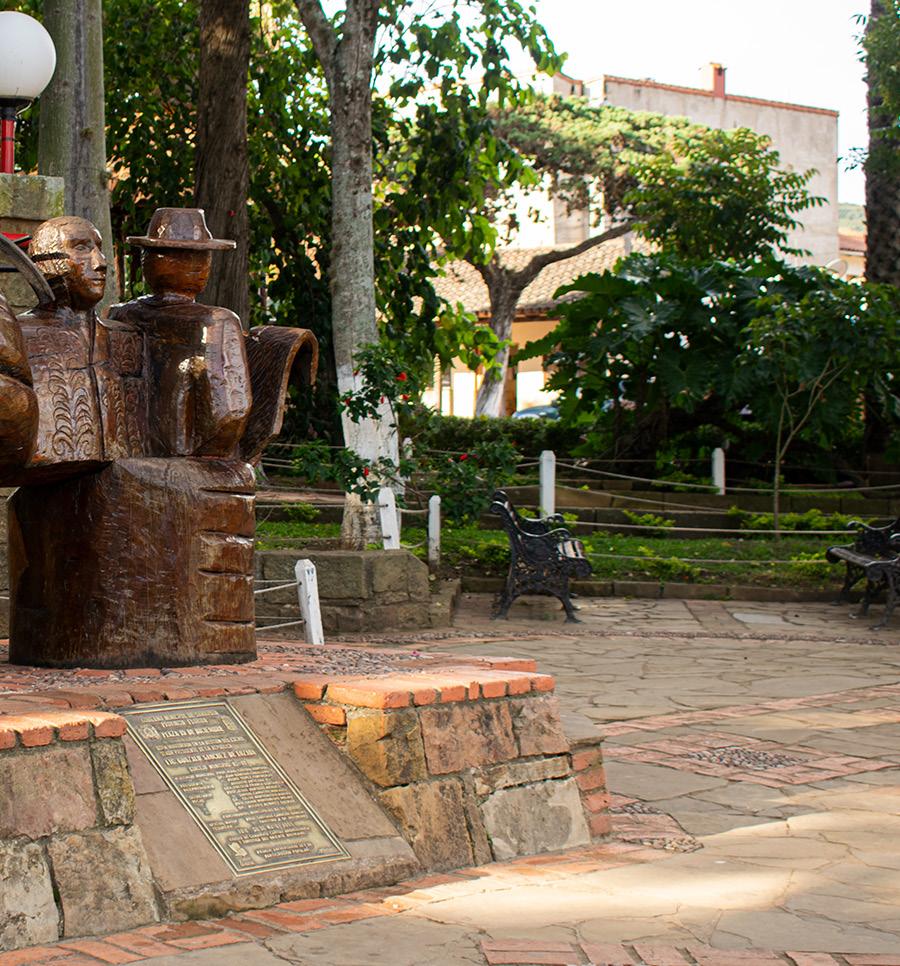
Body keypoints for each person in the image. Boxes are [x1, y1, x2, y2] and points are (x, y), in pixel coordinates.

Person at [108, 207, 252, 457]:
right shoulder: (216, 323)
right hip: (191, 459)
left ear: (147, 261)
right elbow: (230, 414)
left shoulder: (119, 314)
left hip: (132, 455)